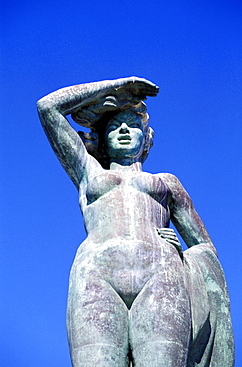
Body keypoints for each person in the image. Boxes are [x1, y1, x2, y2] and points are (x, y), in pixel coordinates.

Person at [37, 77, 234, 367]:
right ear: (102, 138)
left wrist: (186, 254)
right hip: (96, 273)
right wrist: (116, 87)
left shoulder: (166, 183)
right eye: (115, 125)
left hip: (160, 273)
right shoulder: (88, 173)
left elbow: (205, 246)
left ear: (147, 137)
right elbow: (47, 108)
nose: (125, 129)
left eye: (132, 124)